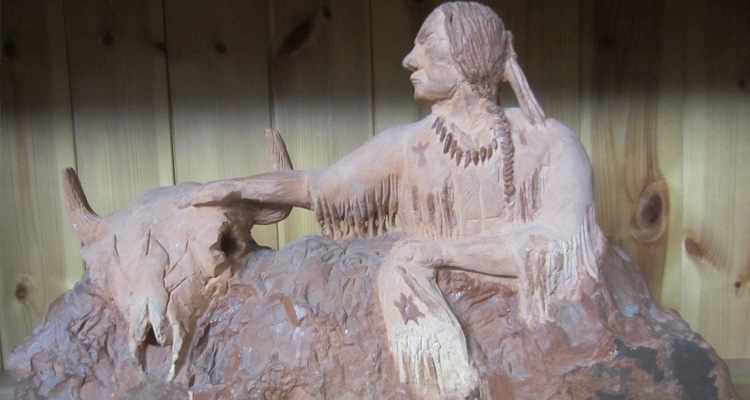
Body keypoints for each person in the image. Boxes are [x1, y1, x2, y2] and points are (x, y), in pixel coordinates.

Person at [187, 2, 605, 397]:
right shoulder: (407, 144)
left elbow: (559, 242)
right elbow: (321, 187)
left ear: (467, 53)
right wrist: (237, 189)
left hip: (537, 328)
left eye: (425, 43)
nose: (409, 59)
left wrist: (439, 252)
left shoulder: (551, 142)